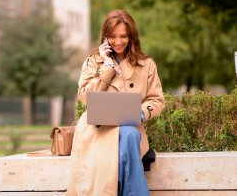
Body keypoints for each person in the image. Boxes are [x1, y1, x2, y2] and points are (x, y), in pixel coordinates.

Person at [66, 10, 164, 196]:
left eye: (123, 36)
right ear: (105, 38)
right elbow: (86, 97)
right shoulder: (94, 62)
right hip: (97, 129)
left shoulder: (147, 64)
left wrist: (139, 113)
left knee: (128, 134)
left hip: (130, 122)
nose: (118, 42)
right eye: (112, 37)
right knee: (127, 138)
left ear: (131, 37)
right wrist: (106, 67)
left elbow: (156, 99)